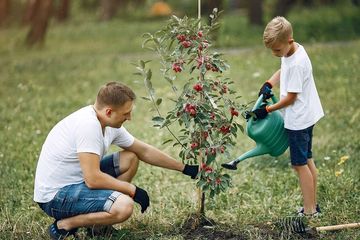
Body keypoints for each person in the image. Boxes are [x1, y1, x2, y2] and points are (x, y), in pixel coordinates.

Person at [33, 81, 199, 239]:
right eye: (126, 113)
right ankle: (65, 224)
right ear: (109, 112)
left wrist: (185, 168)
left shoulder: (108, 124)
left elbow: (144, 151)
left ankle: (97, 227)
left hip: (77, 183)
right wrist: (132, 190)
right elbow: (92, 179)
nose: (130, 117)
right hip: (55, 197)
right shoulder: (88, 126)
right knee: (124, 207)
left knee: (131, 158)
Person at [253, 16, 324, 217]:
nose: (276, 54)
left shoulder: (297, 64)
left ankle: (309, 210)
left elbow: (291, 99)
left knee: (299, 164)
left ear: (289, 41)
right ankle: (313, 205)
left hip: (299, 119)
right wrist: (269, 83)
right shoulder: (294, 51)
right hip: (307, 114)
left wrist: (267, 110)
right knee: (307, 160)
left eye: (277, 50)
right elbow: (283, 67)